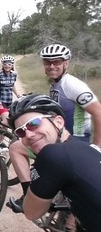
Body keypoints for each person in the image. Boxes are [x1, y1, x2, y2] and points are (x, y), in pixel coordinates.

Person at [8, 43, 101, 210]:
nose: (51, 66)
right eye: (47, 62)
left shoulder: (72, 85)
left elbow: (99, 113)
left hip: (74, 143)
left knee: (16, 148)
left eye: (57, 62)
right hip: (61, 141)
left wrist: (96, 147)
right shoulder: (57, 84)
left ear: (66, 63)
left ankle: (29, 197)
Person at [6, 94, 101, 231]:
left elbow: (32, 213)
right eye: (20, 132)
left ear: (58, 122)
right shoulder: (88, 149)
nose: (28, 135)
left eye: (33, 124)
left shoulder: (52, 154)